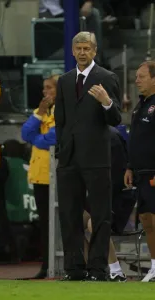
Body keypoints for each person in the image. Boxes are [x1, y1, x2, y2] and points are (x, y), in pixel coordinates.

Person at [55, 31, 121, 281]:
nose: (82, 52)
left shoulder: (107, 77)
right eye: (78, 48)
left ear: (95, 51)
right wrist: (61, 150)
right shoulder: (64, 80)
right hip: (69, 158)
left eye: (87, 49)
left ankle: (98, 269)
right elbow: (60, 120)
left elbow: (115, 119)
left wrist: (107, 102)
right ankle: (74, 269)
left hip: (97, 157)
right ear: (72, 51)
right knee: (69, 214)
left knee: (101, 215)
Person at [19, 75, 58, 279]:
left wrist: (36, 139)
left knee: (57, 223)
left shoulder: (62, 111)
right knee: (44, 223)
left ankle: (58, 263)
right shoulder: (41, 111)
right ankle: (46, 265)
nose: (45, 92)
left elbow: (53, 139)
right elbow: (25, 134)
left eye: (50, 88)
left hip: (56, 175)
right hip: (40, 175)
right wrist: (41, 113)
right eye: (44, 88)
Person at [83, 126, 130, 282]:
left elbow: (118, 176)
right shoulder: (89, 134)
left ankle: (116, 271)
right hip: (99, 195)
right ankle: (88, 268)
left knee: (95, 222)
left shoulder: (111, 137)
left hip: (118, 196)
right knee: (72, 220)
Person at [125, 60, 155, 282]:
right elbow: (135, 138)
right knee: (146, 219)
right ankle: (154, 265)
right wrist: (129, 166)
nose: (136, 80)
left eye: (141, 76)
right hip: (140, 172)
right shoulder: (140, 104)